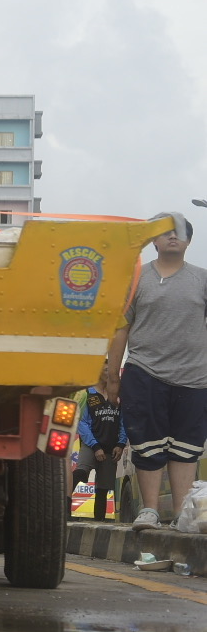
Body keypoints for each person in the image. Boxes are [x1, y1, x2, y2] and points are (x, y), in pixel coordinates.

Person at [101, 213, 207, 528]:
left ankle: (182, 515)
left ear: (188, 241)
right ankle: (149, 510)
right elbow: (121, 328)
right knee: (147, 444)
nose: (173, 237)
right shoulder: (135, 279)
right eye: (165, 232)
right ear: (154, 241)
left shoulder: (202, 279)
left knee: (186, 447)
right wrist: (113, 378)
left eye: (179, 233)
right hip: (144, 372)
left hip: (195, 378)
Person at [75, 367, 126, 522]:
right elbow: (82, 423)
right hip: (91, 445)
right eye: (105, 370)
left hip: (111, 447)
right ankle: (64, 511)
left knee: (103, 489)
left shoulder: (117, 396)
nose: (109, 373)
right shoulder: (87, 394)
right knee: (80, 472)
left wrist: (121, 443)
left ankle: (99, 522)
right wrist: (95, 446)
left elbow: (124, 421)